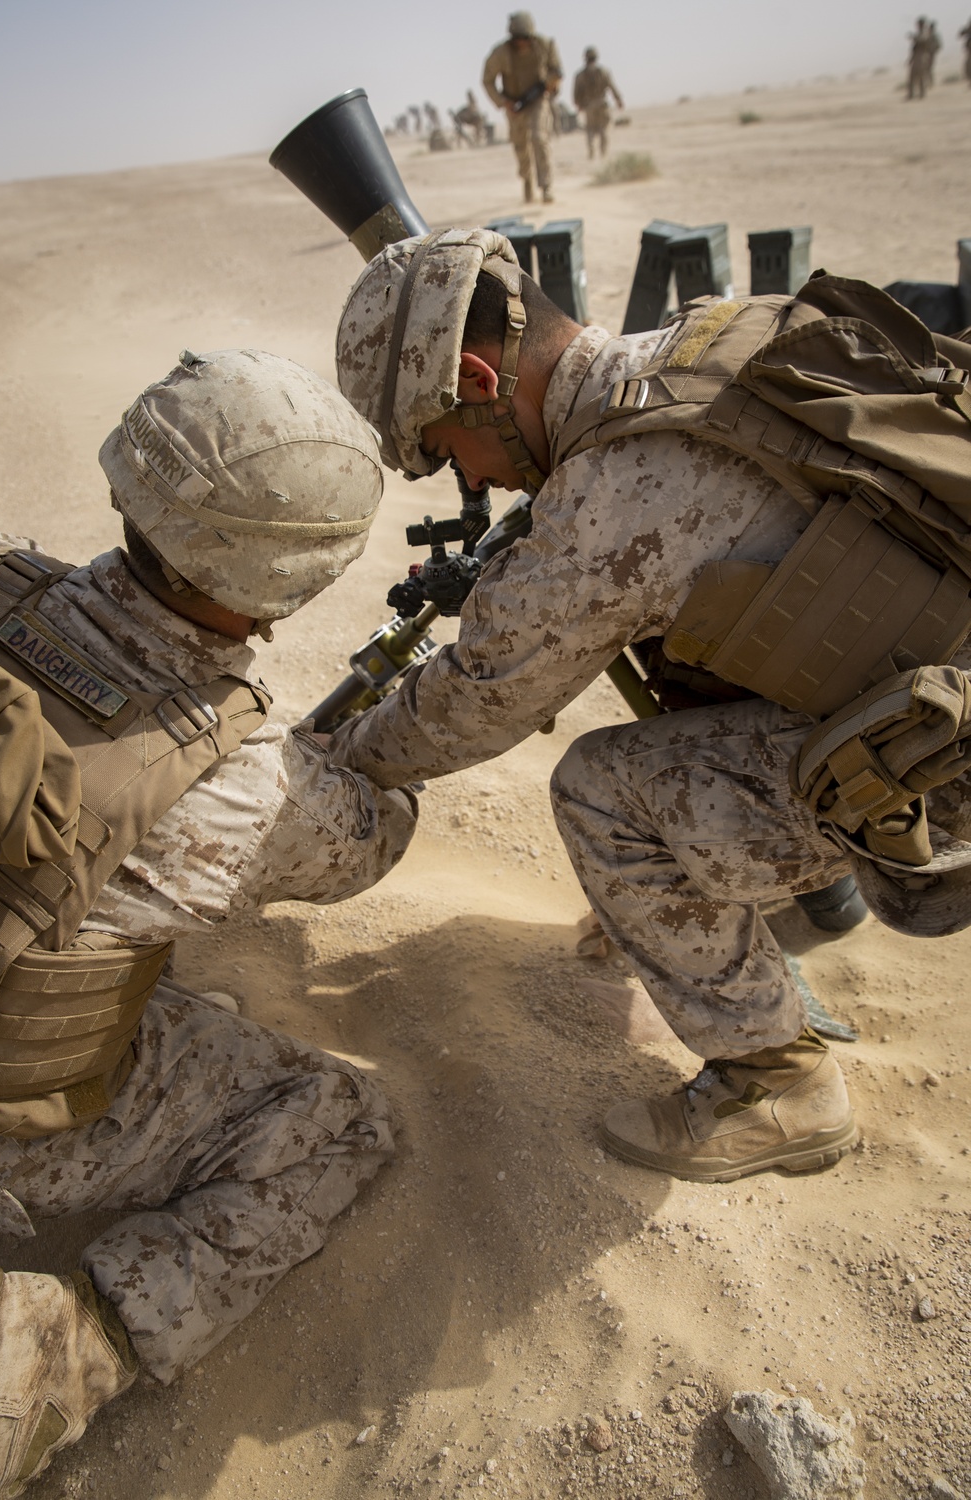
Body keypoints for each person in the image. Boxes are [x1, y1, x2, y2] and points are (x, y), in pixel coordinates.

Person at [332, 227, 971, 1188]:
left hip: (949, 750)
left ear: (475, 377)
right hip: (941, 678)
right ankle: (798, 903)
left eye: (446, 451)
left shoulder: (612, 496)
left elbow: (471, 705)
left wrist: (342, 756)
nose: (474, 481)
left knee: (602, 790)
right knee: (692, 676)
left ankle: (776, 1081)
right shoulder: (701, 340)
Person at [0, 348, 418, 1496]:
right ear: (298, 583)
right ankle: (65, 1356)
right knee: (337, 1115)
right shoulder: (247, 787)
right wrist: (377, 766)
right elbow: (367, 844)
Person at [482, 12, 562, 203]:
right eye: (518, 39)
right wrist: (503, 102)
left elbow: (556, 70)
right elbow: (487, 80)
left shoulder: (545, 45)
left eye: (525, 38)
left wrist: (551, 83)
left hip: (538, 100)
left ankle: (546, 186)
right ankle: (527, 180)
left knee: (539, 137)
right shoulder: (501, 53)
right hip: (514, 105)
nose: (521, 43)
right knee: (520, 147)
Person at [572, 47, 624, 160]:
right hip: (602, 104)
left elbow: (576, 93)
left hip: (589, 106)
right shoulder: (604, 71)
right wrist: (618, 100)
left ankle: (591, 153)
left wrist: (578, 104)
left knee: (590, 129)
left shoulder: (580, 75)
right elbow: (612, 87)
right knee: (604, 129)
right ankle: (603, 154)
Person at [907, 16, 933, 98]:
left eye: (920, 24)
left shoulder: (925, 33)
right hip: (916, 56)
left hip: (922, 56)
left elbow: (922, 40)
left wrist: (914, 37)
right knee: (912, 76)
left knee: (921, 76)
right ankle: (911, 94)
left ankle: (922, 93)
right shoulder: (919, 33)